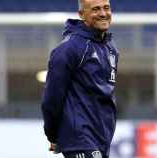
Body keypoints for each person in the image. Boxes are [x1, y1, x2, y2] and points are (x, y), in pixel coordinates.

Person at [41, 0, 119, 158]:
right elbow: (52, 98)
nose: (103, 14)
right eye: (96, 9)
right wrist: (52, 134)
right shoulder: (68, 49)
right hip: (80, 139)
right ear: (82, 14)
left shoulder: (111, 48)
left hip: (102, 139)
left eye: (106, 8)